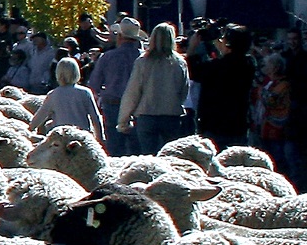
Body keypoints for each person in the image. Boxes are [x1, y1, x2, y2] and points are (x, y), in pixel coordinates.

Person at [116, 21, 192, 156]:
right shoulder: (180, 63)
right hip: (171, 115)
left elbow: (133, 93)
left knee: (149, 156)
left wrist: (123, 120)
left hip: (146, 115)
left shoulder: (143, 61)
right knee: (170, 157)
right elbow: (184, 92)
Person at [87, 20, 142, 155]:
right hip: (139, 107)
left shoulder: (108, 57)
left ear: (119, 37)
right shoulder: (143, 57)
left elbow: (94, 84)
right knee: (137, 149)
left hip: (113, 105)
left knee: (115, 148)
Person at [28, 56, 109, 139]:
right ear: (76, 72)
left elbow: (40, 116)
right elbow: (95, 117)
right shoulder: (85, 92)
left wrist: (29, 129)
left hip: (63, 138)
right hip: (82, 137)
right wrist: (100, 138)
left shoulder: (53, 94)